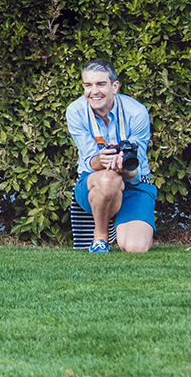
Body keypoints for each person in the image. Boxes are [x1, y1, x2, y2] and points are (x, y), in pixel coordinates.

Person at [66, 59, 157, 253]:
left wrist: (122, 166)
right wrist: (103, 160)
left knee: (136, 248)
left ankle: (123, 223)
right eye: (88, 85)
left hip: (134, 184)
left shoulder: (137, 112)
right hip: (94, 181)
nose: (94, 91)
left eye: (101, 84)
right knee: (108, 178)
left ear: (114, 86)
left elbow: (135, 168)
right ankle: (100, 238)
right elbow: (89, 160)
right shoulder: (75, 111)